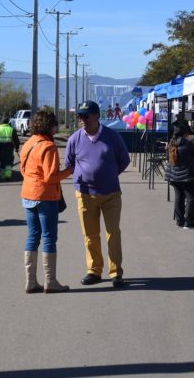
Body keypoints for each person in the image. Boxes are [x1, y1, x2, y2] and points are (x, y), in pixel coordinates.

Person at [65, 101, 131, 288]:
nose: (82, 120)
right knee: (90, 235)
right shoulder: (75, 139)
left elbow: (124, 160)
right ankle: (94, 270)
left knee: (113, 233)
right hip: (85, 195)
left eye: (86, 116)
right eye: (80, 116)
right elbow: (69, 163)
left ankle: (116, 272)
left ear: (96, 116)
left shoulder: (112, 136)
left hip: (111, 194)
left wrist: (108, 174)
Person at [20, 112, 73, 293]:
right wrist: (69, 171)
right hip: (45, 196)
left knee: (32, 236)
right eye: (55, 123)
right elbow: (51, 177)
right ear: (49, 126)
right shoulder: (49, 146)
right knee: (49, 237)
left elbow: (23, 169)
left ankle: (31, 281)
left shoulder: (28, 143)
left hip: (28, 194)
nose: (57, 126)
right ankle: (50, 281)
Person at [165, 125, 194, 229]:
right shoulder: (187, 144)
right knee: (191, 197)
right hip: (186, 176)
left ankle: (180, 221)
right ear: (185, 134)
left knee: (179, 197)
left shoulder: (171, 144)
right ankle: (189, 222)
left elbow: (167, 158)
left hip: (173, 175)